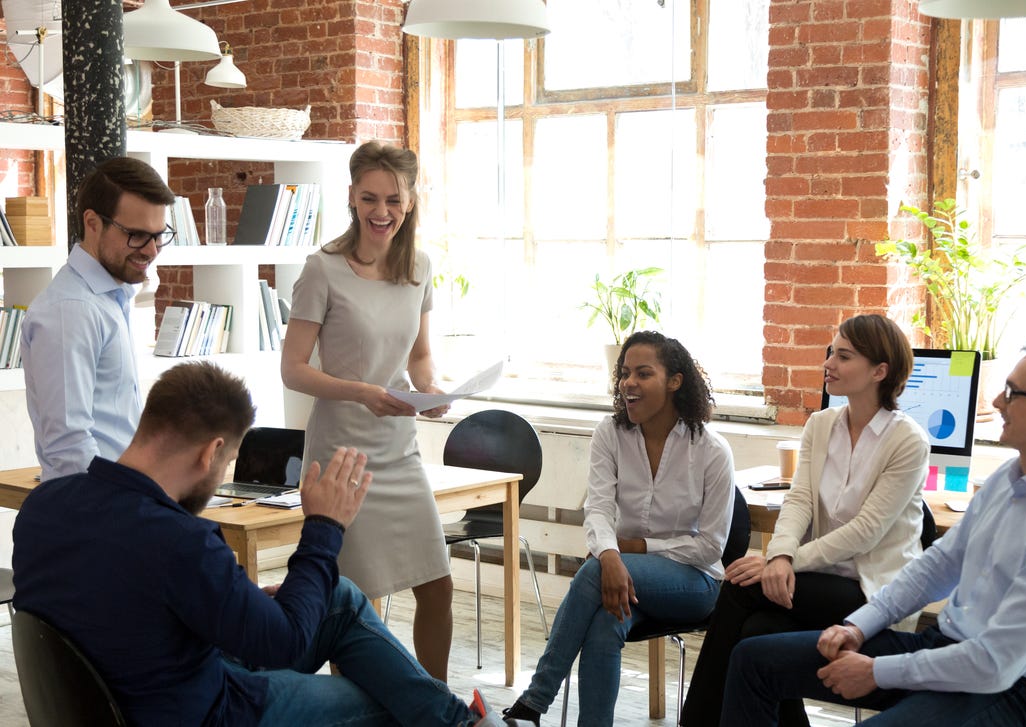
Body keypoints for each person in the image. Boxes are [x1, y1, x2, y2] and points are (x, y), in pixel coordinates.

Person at [11, 361, 495, 727]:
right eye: (228, 464)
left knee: (340, 598)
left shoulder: (44, 505)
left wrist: (234, 600)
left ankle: (461, 723)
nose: (223, 474)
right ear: (212, 452)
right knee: (387, 702)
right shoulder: (180, 541)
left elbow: (126, 599)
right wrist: (324, 525)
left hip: (129, 690)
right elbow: (285, 643)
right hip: (201, 712)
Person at [720, 340, 1026, 727]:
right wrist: (857, 627)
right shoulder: (1010, 476)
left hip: (1009, 688)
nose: (998, 402)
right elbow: (939, 564)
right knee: (754, 659)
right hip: (948, 647)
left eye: (1012, 392)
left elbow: (994, 665)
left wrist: (878, 670)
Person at [680, 314, 930, 726]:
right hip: (815, 577)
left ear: (879, 371)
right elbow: (798, 501)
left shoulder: (907, 440)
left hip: (871, 591)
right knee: (758, 632)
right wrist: (778, 556)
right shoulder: (822, 424)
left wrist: (787, 561)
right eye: (831, 352)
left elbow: (866, 531)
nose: (829, 363)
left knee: (740, 589)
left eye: (844, 356)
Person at [281, 141, 455, 680]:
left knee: (438, 583)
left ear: (410, 202)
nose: (382, 212)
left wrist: (432, 392)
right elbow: (293, 370)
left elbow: (420, 356)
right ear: (352, 198)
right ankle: (358, 709)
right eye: (370, 199)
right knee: (355, 598)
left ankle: (434, 705)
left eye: (393, 200)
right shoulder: (323, 269)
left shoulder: (420, 267)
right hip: (342, 457)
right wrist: (362, 392)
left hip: (399, 450)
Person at [503, 331, 735, 727]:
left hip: (695, 584)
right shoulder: (609, 434)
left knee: (595, 570)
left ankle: (535, 699)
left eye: (644, 374)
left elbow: (709, 547)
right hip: (624, 576)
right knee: (604, 625)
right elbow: (597, 509)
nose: (629, 383)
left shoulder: (711, 451)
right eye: (625, 373)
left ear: (674, 381)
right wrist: (613, 554)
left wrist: (629, 550)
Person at [20, 156, 175, 481]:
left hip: (116, 503)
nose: (152, 251)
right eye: (136, 235)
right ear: (92, 223)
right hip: (95, 515)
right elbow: (68, 448)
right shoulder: (72, 310)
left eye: (159, 235)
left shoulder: (108, 298)